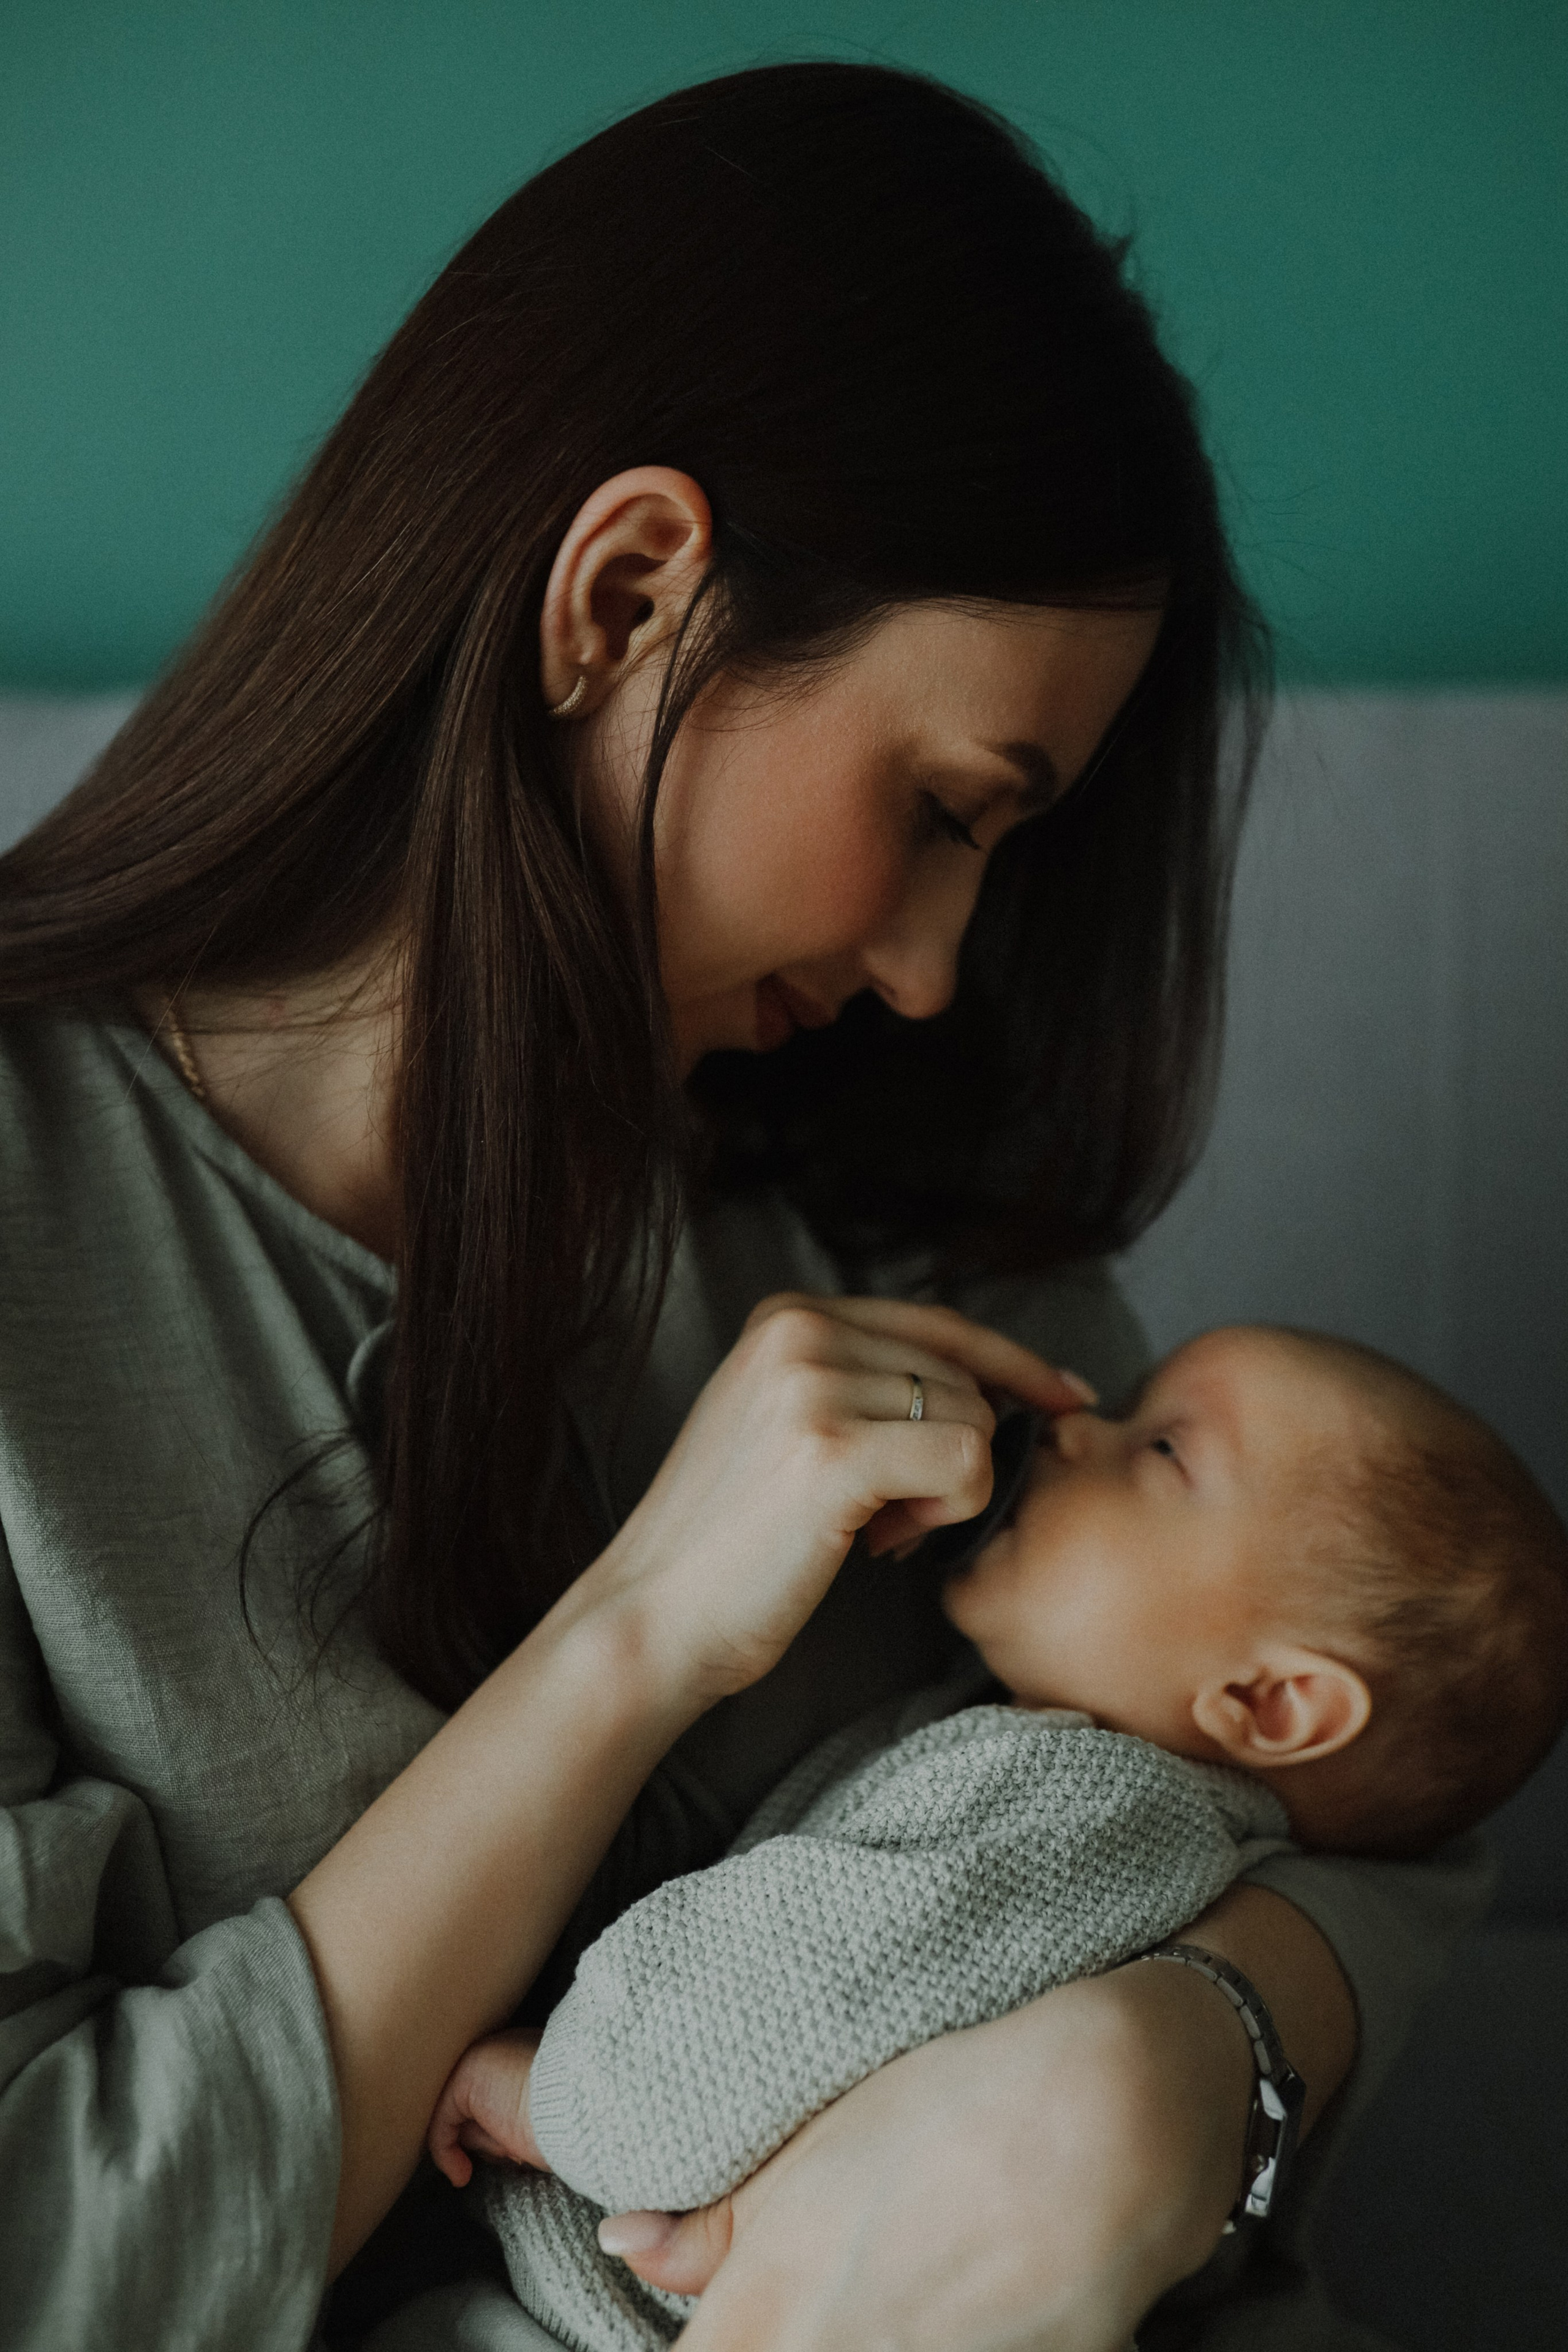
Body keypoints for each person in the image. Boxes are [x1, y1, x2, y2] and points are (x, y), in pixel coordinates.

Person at [0, 61, 1490, 2352]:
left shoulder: (877, 1180)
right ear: (625, 597)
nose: (927, 967)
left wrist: (1165, 2083)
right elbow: (56, 2250)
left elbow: (1366, 1766)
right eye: (944, 806)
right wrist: (631, 1640)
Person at [426, 1324, 1568, 2352]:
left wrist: (552, 2096)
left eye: (1162, 1451)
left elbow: (732, 2044)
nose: (1070, 1430)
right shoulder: (1171, 1832)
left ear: (1269, 1703)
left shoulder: (1067, 1799)